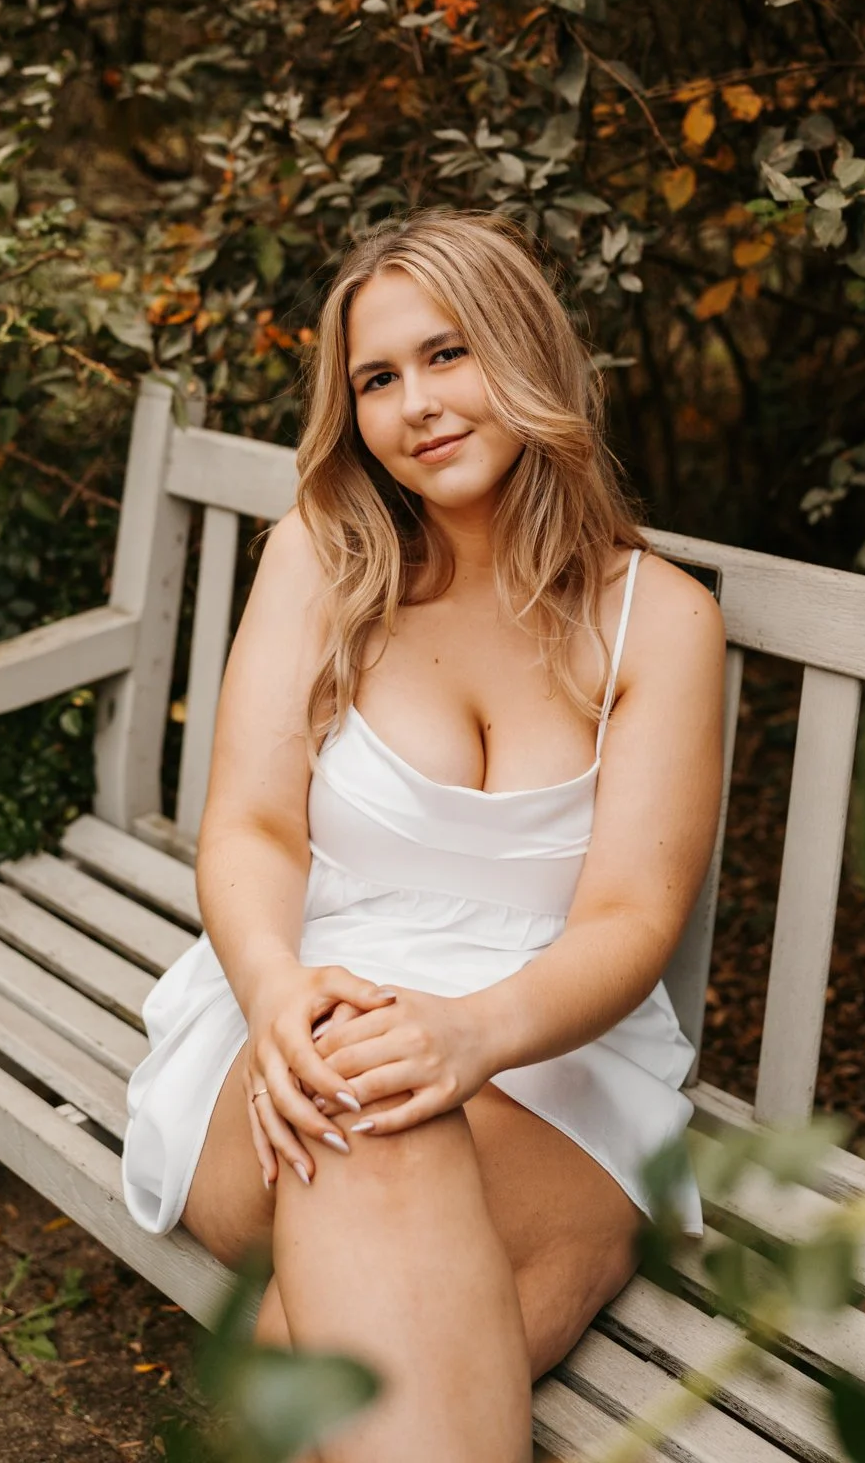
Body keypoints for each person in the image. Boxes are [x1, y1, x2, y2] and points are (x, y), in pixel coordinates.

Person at [122, 208, 726, 1463]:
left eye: (447, 354)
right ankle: (573, 1240)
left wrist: (474, 1030)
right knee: (374, 1105)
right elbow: (251, 826)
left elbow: (630, 916)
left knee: (330, 1325)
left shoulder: (658, 620)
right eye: (378, 379)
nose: (416, 404)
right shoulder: (322, 560)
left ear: (525, 354)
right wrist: (278, 988)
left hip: (555, 1050)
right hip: (300, 1023)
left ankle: (556, 1238)